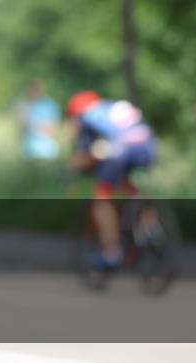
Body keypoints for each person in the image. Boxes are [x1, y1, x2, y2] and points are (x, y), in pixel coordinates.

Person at [66, 90, 157, 269]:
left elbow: (87, 155)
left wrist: (75, 167)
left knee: (101, 200)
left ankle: (111, 251)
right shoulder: (112, 106)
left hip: (121, 150)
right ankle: (150, 229)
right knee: (131, 186)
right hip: (147, 145)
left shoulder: (86, 116)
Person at [16, 80, 60, 160]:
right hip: (29, 147)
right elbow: (22, 128)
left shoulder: (49, 106)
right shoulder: (25, 106)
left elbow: (53, 129)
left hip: (46, 149)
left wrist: (35, 126)